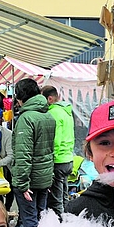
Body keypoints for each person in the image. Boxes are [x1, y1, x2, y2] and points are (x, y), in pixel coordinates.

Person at [12, 78, 56, 227]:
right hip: (44, 178)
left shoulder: (26, 118)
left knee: (30, 218)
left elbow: (23, 154)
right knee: (41, 217)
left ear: (21, 97)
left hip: (29, 180)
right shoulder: (48, 116)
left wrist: (22, 184)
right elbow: (49, 150)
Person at [41, 85, 74, 216]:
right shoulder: (66, 112)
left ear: (49, 99)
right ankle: (67, 220)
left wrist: (49, 157)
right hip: (68, 159)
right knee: (64, 197)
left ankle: (61, 226)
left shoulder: (53, 113)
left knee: (56, 200)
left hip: (58, 160)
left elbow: (56, 140)